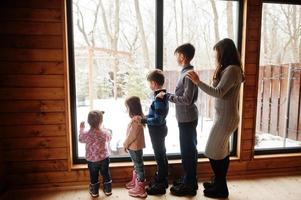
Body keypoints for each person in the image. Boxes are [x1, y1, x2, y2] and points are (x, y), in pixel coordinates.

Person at [187, 38, 244, 199]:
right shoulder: (228, 69)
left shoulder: (232, 70)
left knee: (212, 151)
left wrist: (198, 82)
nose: (216, 57)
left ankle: (221, 187)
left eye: (217, 54)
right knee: (222, 152)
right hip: (224, 117)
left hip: (226, 118)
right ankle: (219, 183)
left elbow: (218, 92)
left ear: (224, 53)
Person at [158, 43, 199, 196]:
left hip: (188, 118)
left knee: (188, 151)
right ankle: (189, 179)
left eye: (176, 55)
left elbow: (187, 99)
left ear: (182, 56)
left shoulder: (188, 74)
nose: (176, 58)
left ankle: (189, 185)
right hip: (186, 118)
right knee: (189, 150)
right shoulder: (186, 72)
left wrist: (168, 97)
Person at [135, 69, 169, 195]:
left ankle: (160, 184)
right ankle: (163, 179)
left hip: (157, 131)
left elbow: (158, 119)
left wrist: (143, 120)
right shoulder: (161, 94)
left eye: (149, 83)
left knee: (159, 156)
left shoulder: (159, 98)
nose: (149, 85)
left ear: (154, 83)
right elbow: (156, 114)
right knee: (162, 154)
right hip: (160, 130)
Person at [79, 110, 112, 197]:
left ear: (88, 122)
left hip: (92, 160)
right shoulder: (104, 132)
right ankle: (108, 190)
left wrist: (81, 128)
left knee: (93, 175)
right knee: (106, 173)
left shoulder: (87, 134)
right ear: (101, 121)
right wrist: (104, 128)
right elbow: (109, 138)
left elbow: (81, 139)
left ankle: (94, 192)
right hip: (104, 158)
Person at [123, 96, 147, 198]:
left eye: (128, 108)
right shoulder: (138, 119)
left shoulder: (136, 121)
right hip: (135, 147)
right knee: (137, 164)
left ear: (132, 108)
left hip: (134, 147)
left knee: (138, 165)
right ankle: (135, 182)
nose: (127, 110)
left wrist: (125, 144)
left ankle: (140, 189)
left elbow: (132, 135)